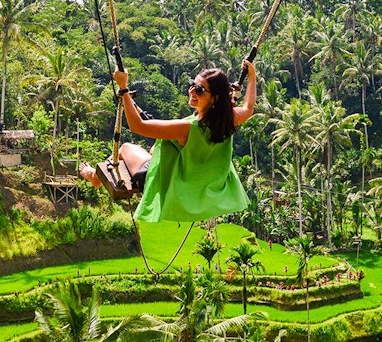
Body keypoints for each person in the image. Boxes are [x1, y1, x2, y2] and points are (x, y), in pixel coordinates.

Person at [80, 60, 257, 223]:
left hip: (163, 185)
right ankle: (97, 176)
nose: (192, 91)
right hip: (197, 192)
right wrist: (252, 77)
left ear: (215, 98)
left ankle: (95, 177)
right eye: (192, 85)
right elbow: (248, 108)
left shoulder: (187, 128)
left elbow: (137, 126)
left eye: (200, 90)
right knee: (153, 149)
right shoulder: (229, 119)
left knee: (126, 148)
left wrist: (123, 87)